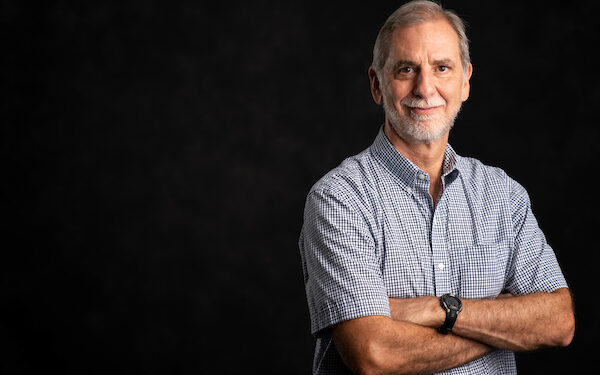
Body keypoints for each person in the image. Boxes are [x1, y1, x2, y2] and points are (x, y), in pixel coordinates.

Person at [298, 1, 575, 374]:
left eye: (442, 68)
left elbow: (558, 321)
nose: (425, 87)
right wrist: (502, 323)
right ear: (377, 85)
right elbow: (374, 353)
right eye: (406, 69)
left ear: (465, 82)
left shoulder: (504, 196)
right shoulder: (339, 200)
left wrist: (436, 309)